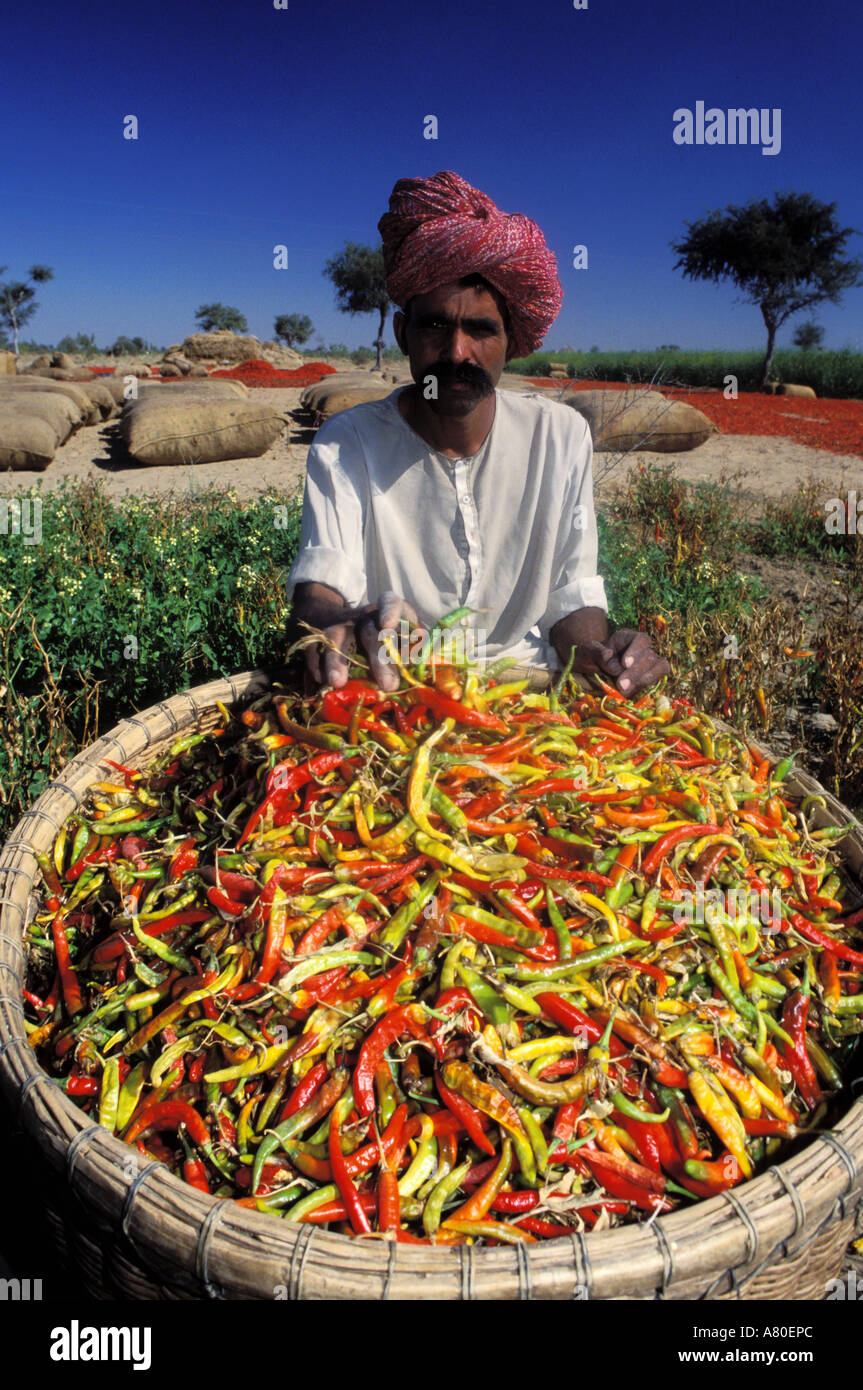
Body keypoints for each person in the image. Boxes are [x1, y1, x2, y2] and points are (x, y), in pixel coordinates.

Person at [289, 170, 669, 697]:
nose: (457, 353)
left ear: (512, 341)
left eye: (481, 330)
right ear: (403, 333)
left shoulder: (559, 438)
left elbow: (570, 596)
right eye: (436, 326)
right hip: (399, 687)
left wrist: (603, 654)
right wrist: (342, 620)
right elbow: (321, 590)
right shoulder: (345, 443)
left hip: (526, 687)